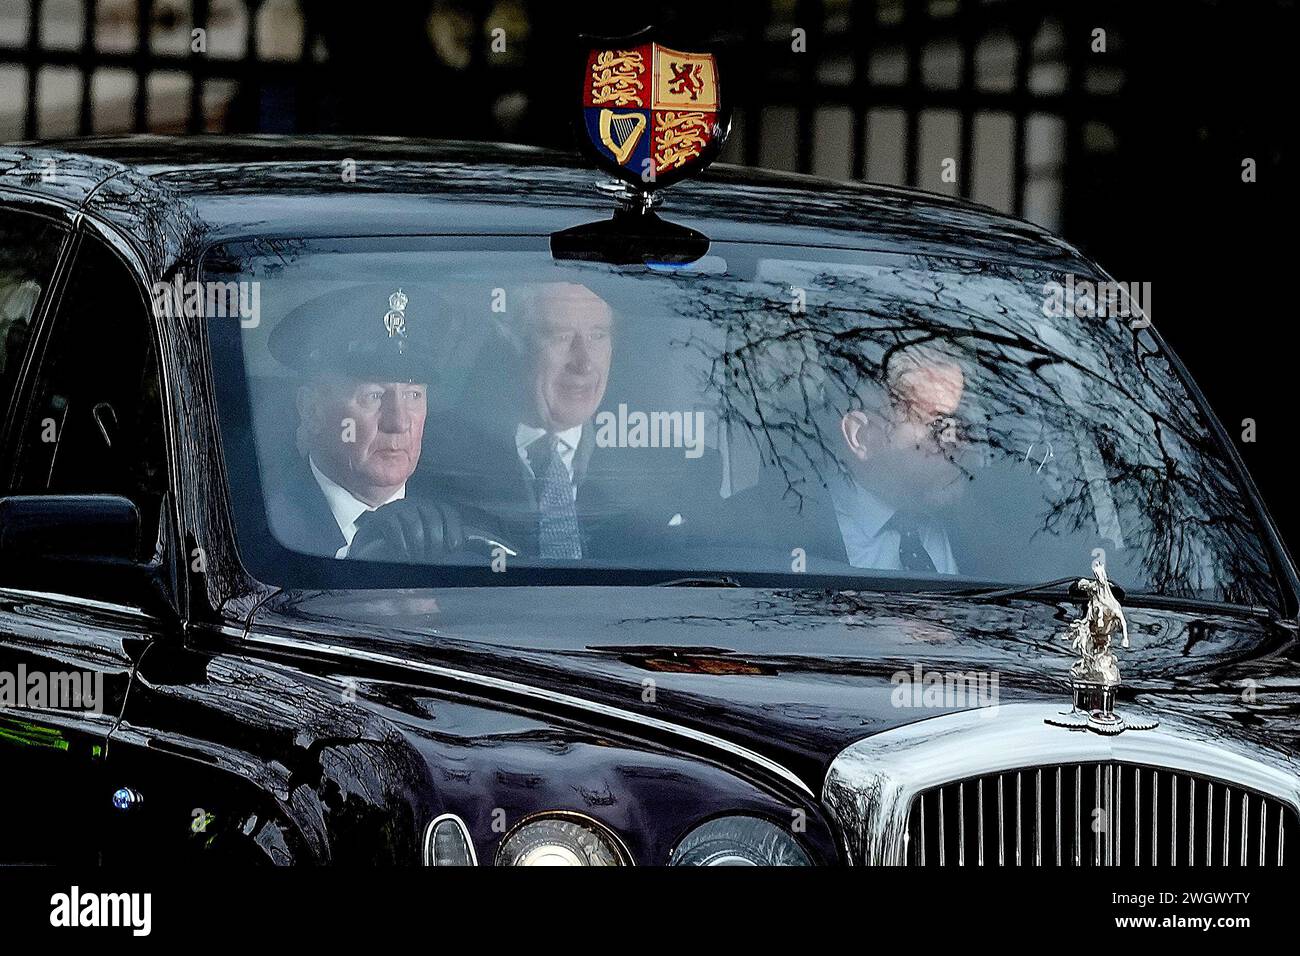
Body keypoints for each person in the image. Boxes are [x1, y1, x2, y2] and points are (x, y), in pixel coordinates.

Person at [416, 280, 709, 559]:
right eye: (561, 336)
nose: (583, 363)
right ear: (515, 345)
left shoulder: (671, 470)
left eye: (597, 336)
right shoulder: (434, 460)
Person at [265, 284, 466, 559]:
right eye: (373, 395)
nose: (398, 422)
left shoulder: (462, 525)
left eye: (413, 395)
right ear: (312, 409)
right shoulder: (268, 533)